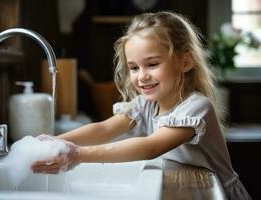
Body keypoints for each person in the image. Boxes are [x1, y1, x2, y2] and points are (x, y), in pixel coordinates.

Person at [31, 11, 251, 199]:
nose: (142, 76)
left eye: (152, 64)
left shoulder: (196, 107)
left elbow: (151, 147)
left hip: (218, 193)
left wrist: (78, 154)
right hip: (189, 186)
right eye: (134, 68)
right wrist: (53, 142)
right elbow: (105, 128)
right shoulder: (146, 104)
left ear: (185, 62)